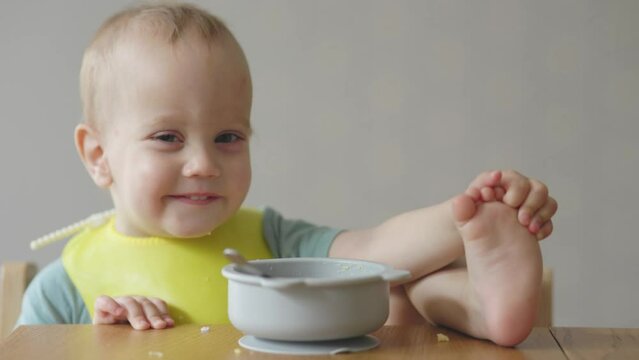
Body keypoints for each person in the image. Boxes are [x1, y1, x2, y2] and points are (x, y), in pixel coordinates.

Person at [17, 3, 557, 347]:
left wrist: (467, 213)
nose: (204, 163)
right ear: (98, 155)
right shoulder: (65, 288)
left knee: (392, 291)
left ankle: (481, 292)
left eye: (229, 137)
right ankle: (472, 300)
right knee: (402, 292)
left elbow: (371, 249)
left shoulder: (271, 242)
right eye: (167, 138)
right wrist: (96, 341)